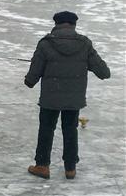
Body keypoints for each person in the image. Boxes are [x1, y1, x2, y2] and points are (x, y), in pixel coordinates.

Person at [24, 11, 110, 180]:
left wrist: (29, 81)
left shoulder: (46, 43)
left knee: (46, 129)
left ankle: (42, 166)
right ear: (74, 25)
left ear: (56, 24)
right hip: (73, 98)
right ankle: (70, 168)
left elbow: (35, 69)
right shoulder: (84, 44)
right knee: (70, 130)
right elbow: (103, 72)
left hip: (50, 97)